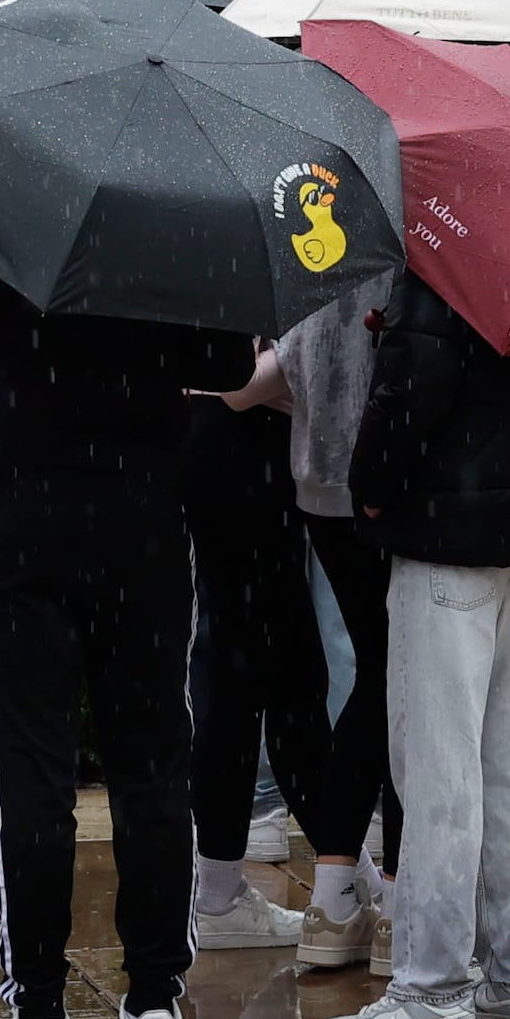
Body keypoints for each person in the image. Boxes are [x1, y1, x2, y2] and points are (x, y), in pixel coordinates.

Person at [0, 252, 244, 1019]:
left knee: (31, 770)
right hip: (141, 513)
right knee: (152, 767)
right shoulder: (168, 211)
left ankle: (39, 1018)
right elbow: (231, 361)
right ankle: (151, 1008)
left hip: (24, 513)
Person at [324, 263, 510, 1019]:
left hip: (444, 533)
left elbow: (409, 388)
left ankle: (434, 989)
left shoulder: (449, 261)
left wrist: (374, 482)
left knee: (439, 772)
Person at [265, 248, 404, 972]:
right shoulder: (408, 237)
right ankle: (398, 909)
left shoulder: (319, 229)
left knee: (384, 677)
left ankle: (334, 897)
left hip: (320, 484)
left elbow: (272, 372)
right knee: (403, 682)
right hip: (383, 488)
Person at [181, 381, 328, 960]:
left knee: (248, 678)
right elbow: (236, 383)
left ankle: (218, 889)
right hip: (243, 461)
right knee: (276, 679)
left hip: (241, 457)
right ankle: (354, 885)